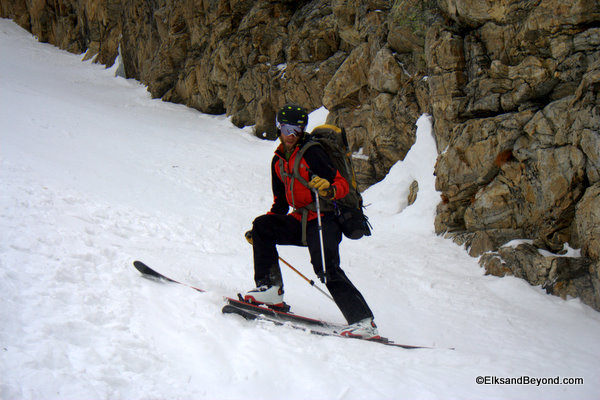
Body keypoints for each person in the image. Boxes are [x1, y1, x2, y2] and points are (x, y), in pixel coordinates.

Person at [244, 104, 379, 339]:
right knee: (262, 226)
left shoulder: (312, 152)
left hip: (325, 218)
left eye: (297, 130)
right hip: (302, 219)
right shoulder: (278, 161)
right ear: (278, 128)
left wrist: (329, 188)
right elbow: (280, 205)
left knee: (326, 268)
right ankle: (270, 289)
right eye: (286, 129)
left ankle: (363, 321)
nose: (291, 135)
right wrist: (260, 235)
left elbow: (341, 185)